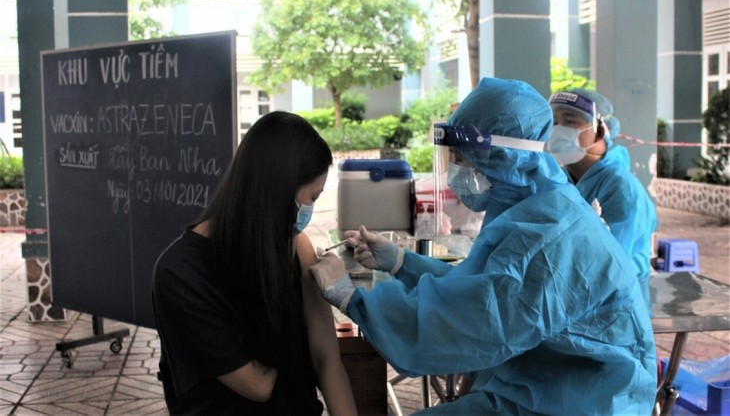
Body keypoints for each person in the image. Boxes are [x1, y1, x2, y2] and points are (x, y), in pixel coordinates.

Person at [310, 77, 657, 415]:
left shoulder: (545, 234)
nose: (457, 169)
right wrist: (402, 262)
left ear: (504, 159)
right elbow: (479, 289)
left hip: (584, 402)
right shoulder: (531, 206)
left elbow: (468, 321)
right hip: (541, 389)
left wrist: (351, 299)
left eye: (464, 159)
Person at [152, 111, 357, 415]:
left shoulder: (295, 245)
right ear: (275, 193)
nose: (309, 210)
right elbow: (257, 386)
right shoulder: (180, 273)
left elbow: (327, 360)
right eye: (310, 198)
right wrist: (301, 346)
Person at [546, 88, 658, 305]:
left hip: (616, 303)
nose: (558, 130)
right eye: (554, 122)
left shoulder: (620, 187)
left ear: (600, 130)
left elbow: (611, 263)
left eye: (570, 121)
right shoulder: (562, 179)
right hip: (576, 297)